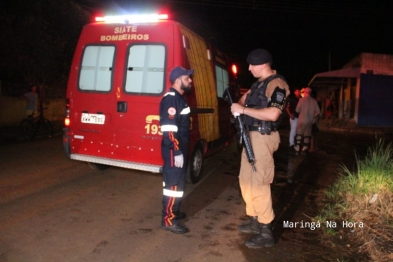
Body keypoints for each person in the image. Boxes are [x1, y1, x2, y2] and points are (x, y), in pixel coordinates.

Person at [230, 48, 290, 248]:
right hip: (250, 137)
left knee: (260, 182)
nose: (249, 68)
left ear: (264, 64)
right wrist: (238, 105)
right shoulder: (257, 84)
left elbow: (273, 114)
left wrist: (244, 110)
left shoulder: (277, 84)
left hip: (263, 138)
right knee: (245, 180)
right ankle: (255, 219)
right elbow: (242, 101)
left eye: (252, 64)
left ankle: (266, 230)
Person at [159, 66, 194, 234]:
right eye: (187, 78)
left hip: (180, 147)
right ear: (178, 80)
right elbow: (169, 130)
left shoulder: (180, 98)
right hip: (174, 149)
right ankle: (168, 220)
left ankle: (174, 210)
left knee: (178, 183)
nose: (190, 81)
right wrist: (177, 150)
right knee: (173, 185)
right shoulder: (172, 99)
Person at [294, 87, 321, 155]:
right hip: (310, 121)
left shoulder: (301, 100)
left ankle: (297, 149)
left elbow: (297, 110)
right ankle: (305, 149)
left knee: (299, 135)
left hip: (302, 120)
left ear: (305, 92)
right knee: (307, 136)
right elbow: (318, 112)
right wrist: (313, 116)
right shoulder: (314, 101)